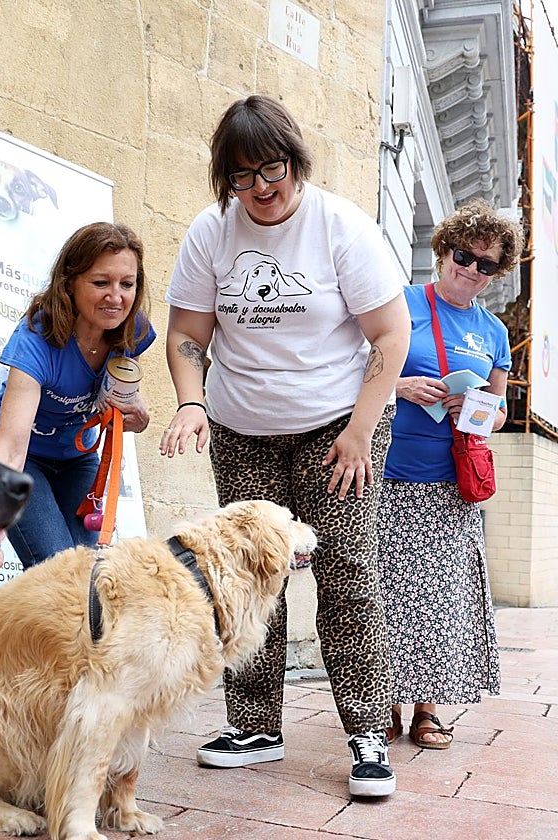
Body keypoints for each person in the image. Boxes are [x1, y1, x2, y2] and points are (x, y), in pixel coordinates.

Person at [158, 94, 411, 798]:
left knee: (346, 572)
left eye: (272, 169)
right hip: (244, 426)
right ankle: (255, 725)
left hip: (341, 421)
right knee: (246, 574)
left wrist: (362, 430)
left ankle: (365, 731)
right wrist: (190, 400)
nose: (261, 188)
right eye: (242, 177)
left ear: (295, 160)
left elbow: (391, 336)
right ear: (225, 181)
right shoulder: (212, 233)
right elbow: (188, 334)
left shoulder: (340, 227)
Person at [377, 198, 525, 752]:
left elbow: (500, 412)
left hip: (448, 481)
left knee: (439, 602)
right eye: (466, 255)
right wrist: (400, 387)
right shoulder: (402, 304)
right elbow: (348, 371)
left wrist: (475, 410)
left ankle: (428, 709)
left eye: (487, 264)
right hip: (388, 470)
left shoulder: (492, 332)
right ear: (444, 251)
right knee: (384, 594)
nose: (473, 269)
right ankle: (381, 703)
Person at [0, 222, 155, 609]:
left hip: (76, 458)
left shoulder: (133, 330)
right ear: (70, 282)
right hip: (20, 459)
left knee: (93, 578)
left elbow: (122, 404)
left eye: (127, 284)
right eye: (100, 283)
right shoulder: (36, 339)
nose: (116, 297)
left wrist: (136, 414)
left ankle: (71, 668)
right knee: (61, 577)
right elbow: (9, 449)